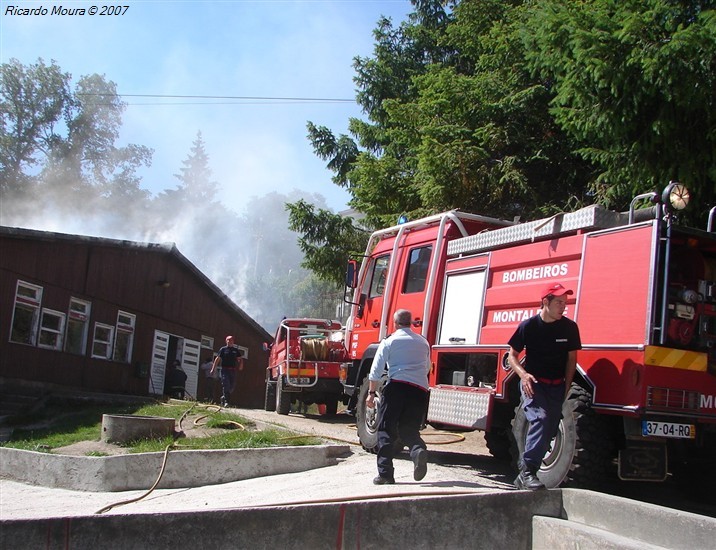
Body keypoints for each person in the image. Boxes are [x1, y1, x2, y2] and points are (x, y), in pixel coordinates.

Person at [507, 282, 582, 490]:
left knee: (550, 430)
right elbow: (512, 356)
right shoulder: (528, 326)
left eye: (565, 303)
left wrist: (566, 387)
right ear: (545, 302)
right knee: (540, 420)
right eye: (558, 302)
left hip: (557, 387)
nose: (563, 307)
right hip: (534, 384)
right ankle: (529, 471)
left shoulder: (569, 327)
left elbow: (571, 361)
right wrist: (523, 375)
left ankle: (522, 476)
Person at [366, 309, 430, 485]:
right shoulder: (423, 342)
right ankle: (417, 451)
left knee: (385, 430)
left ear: (394, 323)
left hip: (397, 387)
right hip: (419, 390)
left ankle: (385, 474)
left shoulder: (389, 342)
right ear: (411, 323)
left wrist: (371, 394)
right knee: (409, 429)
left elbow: (375, 371)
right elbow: (426, 368)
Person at [211, 335, 244, 407]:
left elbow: (240, 359)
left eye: (231, 340)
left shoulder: (235, 351)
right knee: (226, 385)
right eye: (228, 340)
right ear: (226, 341)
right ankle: (226, 402)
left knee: (231, 387)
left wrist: (241, 365)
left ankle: (224, 397)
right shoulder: (223, 349)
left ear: (233, 341)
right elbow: (217, 359)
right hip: (225, 370)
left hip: (233, 371)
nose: (229, 341)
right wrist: (213, 368)